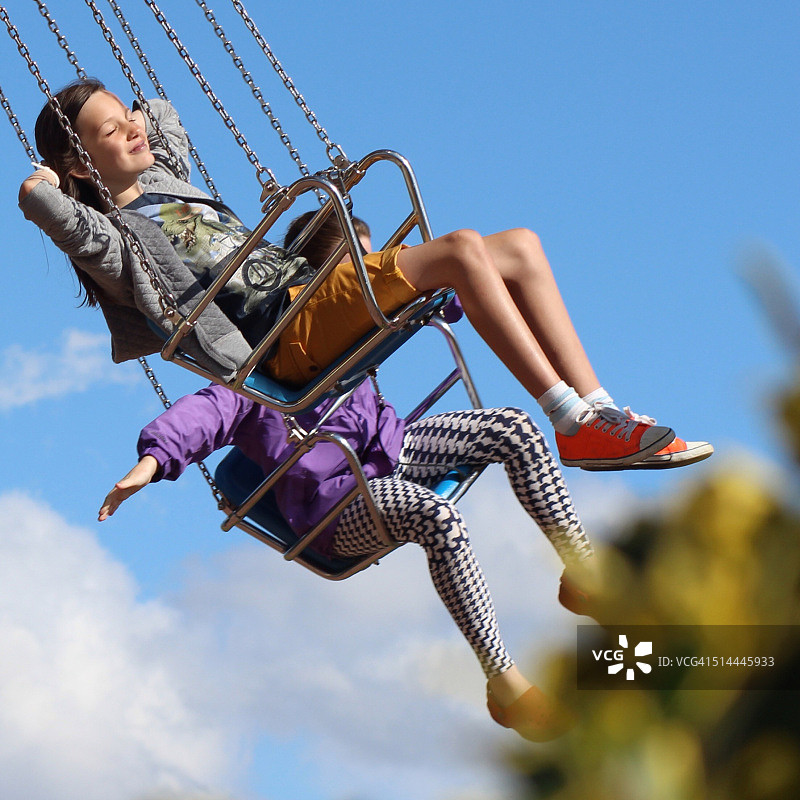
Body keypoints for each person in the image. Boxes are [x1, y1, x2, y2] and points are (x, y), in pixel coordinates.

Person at [19, 79, 713, 470]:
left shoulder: (172, 179)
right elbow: (56, 216)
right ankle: (567, 420)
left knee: (521, 246)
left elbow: (163, 117)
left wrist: (134, 106)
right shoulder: (122, 239)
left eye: (125, 115)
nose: (132, 129)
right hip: (285, 334)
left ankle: (597, 410)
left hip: (313, 294)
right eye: (110, 132)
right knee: (462, 251)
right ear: (82, 164)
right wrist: (42, 183)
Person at [97, 212, 600, 742]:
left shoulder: (360, 329)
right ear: (319, 279)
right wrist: (148, 464)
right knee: (438, 517)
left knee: (515, 428)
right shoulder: (263, 359)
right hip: (337, 507)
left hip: (393, 449)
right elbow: (205, 413)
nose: (373, 276)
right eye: (359, 266)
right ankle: (505, 681)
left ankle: (585, 574)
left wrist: (462, 279)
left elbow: (436, 293)